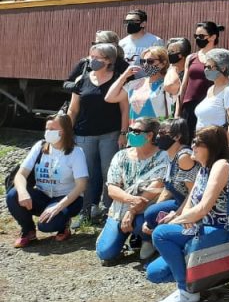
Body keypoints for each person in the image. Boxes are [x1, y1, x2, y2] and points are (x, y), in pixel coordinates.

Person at [147, 125, 229, 302]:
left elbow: (203, 208)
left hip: (224, 230)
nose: (192, 146)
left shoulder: (221, 165)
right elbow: (191, 203)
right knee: (155, 273)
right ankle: (204, 278)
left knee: (160, 234)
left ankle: (187, 291)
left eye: (197, 143)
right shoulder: (203, 168)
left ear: (211, 147)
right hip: (203, 227)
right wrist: (179, 217)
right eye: (193, 141)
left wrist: (179, 221)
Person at [6, 113, 88, 247]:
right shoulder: (40, 146)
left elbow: (81, 185)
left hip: (66, 198)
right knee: (13, 195)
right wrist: (22, 192)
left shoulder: (76, 152)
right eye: (46, 129)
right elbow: (21, 174)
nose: (48, 132)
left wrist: (58, 206)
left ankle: (64, 224)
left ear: (64, 131)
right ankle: (28, 231)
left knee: (46, 226)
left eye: (52, 129)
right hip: (43, 195)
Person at [68, 42, 128, 220]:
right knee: (86, 173)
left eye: (96, 57)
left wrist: (123, 133)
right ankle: (85, 210)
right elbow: (73, 109)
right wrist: (67, 131)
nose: (91, 60)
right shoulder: (82, 80)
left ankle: (110, 210)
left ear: (108, 60)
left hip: (110, 134)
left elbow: (125, 109)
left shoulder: (117, 80)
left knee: (109, 172)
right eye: (91, 56)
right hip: (83, 134)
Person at [96, 116, 169, 262]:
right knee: (105, 253)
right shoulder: (121, 156)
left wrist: (131, 211)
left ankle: (147, 239)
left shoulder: (163, 156)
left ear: (150, 135)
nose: (130, 134)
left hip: (147, 208)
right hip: (120, 208)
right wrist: (130, 201)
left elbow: (154, 189)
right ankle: (122, 236)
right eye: (130, 130)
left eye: (136, 131)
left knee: (141, 224)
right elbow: (112, 189)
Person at [140, 118, 198, 260]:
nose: (158, 137)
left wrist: (176, 215)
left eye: (162, 133)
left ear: (177, 136)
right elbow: (168, 188)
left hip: (191, 204)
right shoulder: (169, 154)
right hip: (179, 200)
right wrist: (152, 215)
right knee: (149, 214)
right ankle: (156, 243)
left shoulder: (184, 157)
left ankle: (173, 249)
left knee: (154, 217)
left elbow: (194, 192)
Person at [178, 21, 223, 140]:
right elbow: (184, 85)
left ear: (213, 37)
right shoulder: (191, 57)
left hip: (209, 107)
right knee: (187, 141)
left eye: (202, 36)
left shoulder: (220, 58)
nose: (198, 39)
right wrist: (178, 111)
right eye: (196, 36)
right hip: (189, 107)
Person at [105, 45, 175, 121]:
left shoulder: (167, 84)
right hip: (135, 127)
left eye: (150, 61)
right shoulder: (135, 84)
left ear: (163, 63)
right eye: (143, 61)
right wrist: (124, 76)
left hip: (158, 127)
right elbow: (110, 98)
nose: (146, 64)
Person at [194, 48, 229, 154]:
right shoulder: (211, 89)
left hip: (217, 148)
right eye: (205, 67)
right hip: (203, 145)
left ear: (222, 68)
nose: (206, 70)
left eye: (209, 67)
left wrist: (225, 149)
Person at [161, 37, 192, 103]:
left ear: (182, 54)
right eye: (168, 51)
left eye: (172, 51)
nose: (169, 54)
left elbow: (170, 87)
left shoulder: (190, 73)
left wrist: (172, 68)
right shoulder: (165, 70)